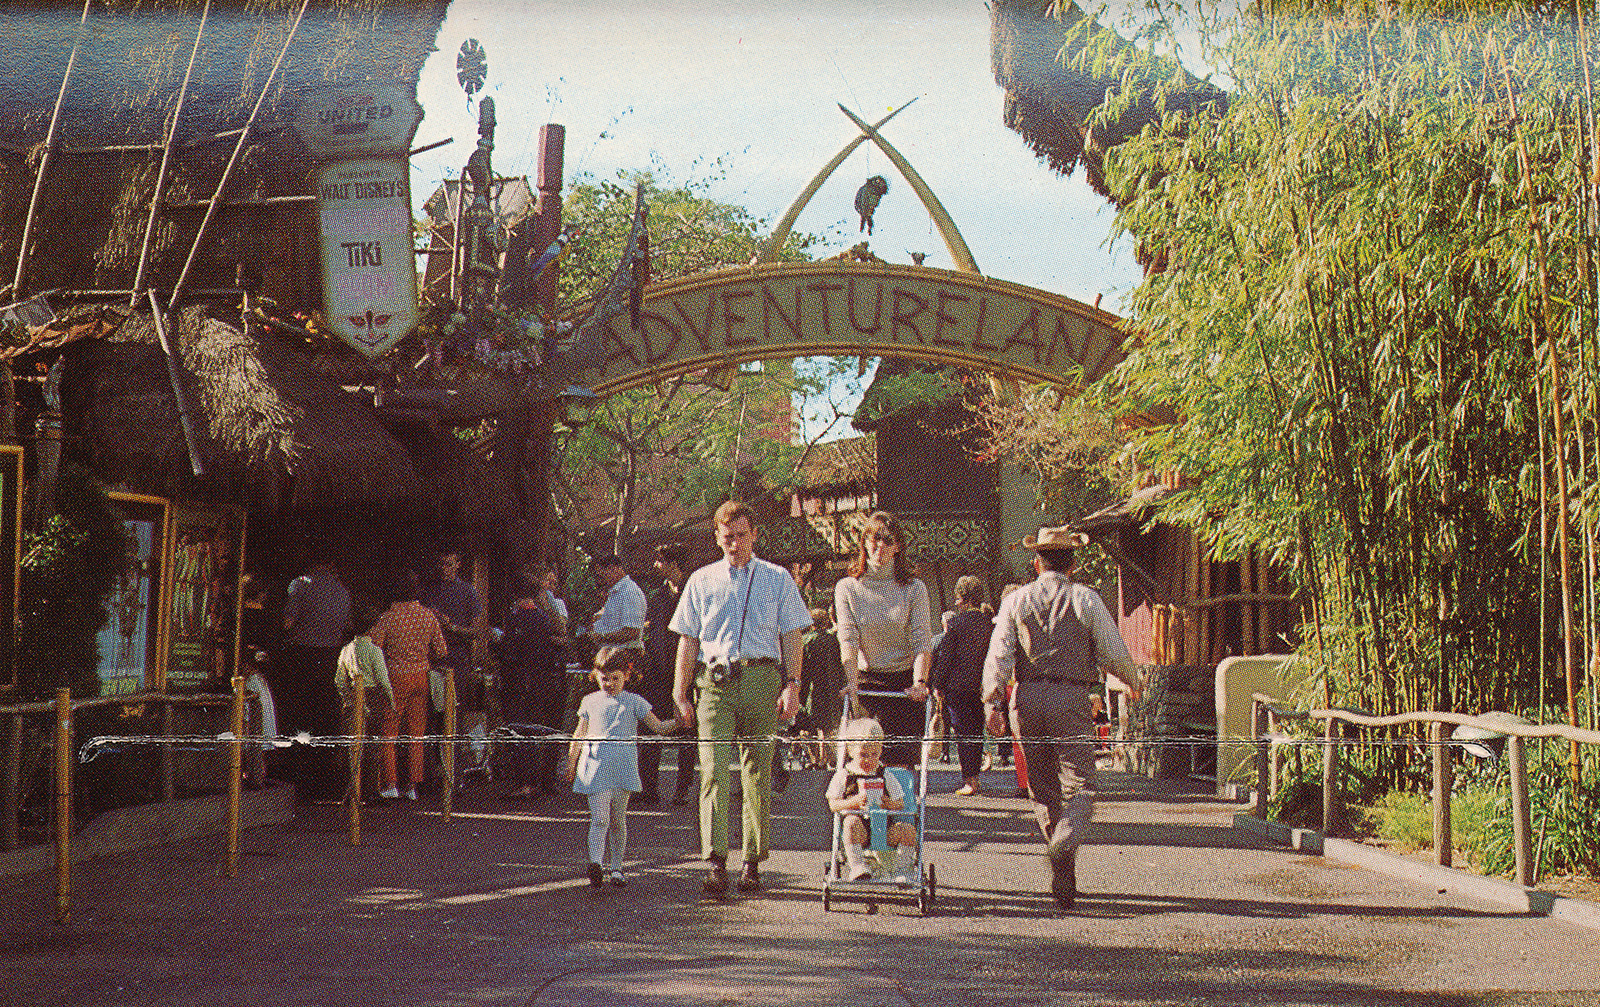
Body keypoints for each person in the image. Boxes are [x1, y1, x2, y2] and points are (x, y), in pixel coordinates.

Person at [982, 525, 1137, 912]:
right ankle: (1065, 841)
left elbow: (999, 655)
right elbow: (1112, 650)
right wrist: (1131, 680)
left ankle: (1060, 858)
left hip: (1028, 697)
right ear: (1072, 563)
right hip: (1070, 696)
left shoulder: (1016, 600)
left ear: (1037, 562)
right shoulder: (1085, 599)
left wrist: (992, 702)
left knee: (1043, 786)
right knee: (1081, 784)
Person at [670, 500, 810, 896]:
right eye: (727, 537)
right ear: (717, 537)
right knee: (713, 771)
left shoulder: (777, 578)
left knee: (757, 771)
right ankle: (715, 861)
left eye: (742, 536)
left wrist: (793, 684)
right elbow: (688, 639)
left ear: (754, 535)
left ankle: (752, 860)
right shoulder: (701, 580)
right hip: (714, 681)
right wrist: (680, 692)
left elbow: (792, 634)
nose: (735, 544)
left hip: (762, 678)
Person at [564, 647, 679, 887]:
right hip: (595, 767)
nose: (609, 684)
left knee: (618, 819)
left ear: (627, 676)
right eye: (604, 678)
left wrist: (679, 722)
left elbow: (657, 727)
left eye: (615, 678)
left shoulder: (634, 701)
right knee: (600, 819)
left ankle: (617, 867)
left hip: (622, 767)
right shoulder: (589, 701)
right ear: (596, 676)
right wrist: (571, 762)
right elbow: (579, 735)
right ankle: (595, 863)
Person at [833, 511, 933, 770]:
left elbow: (922, 639)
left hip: (904, 683)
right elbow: (848, 638)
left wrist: (920, 682)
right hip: (868, 682)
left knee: (900, 770)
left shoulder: (914, 589)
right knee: (864, 765)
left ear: (898, 547)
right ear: (865, 543)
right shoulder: (848, 588)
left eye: (888, 541)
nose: (880, 548)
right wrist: (852, 683)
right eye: (874, 540)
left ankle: (901, 806)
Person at [370, 569, 447, 801]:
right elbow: (442, 650)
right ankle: (413, 785)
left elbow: (374, 648)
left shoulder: (388, 617)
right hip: (422, 676)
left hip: (395, 677)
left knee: (389, 731)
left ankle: (391, 783)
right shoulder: (428, 616)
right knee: (417, 732)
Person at [280, 553, 352, 799]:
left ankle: (298, 777)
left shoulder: (301, 583)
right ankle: (324, 781)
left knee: (299, 713)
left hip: (302, 656)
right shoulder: (343, 591)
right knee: (326, 715)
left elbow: (288, 623)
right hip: (331, 656)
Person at [493, 569, 566, 798]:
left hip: (518, 681)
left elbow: (510, 653)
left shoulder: (516, 619)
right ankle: (535, 781)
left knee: (517, 730)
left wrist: (498, 644)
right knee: (534, 730)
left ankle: (525, 783)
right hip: (539, 681)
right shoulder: (543, 618)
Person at [825, 717, 918, 884]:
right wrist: (853, 802)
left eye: (874, 754)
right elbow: (833, 805)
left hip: (885, 828)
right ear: (851, 751)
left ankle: (902, 868)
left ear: (881, 750)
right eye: (863, 754)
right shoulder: (844, 775)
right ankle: (858, 866)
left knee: (908, 830)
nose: (869, 760)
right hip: (861, 831)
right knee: (850, 822)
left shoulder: (885, 774)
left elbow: (901, 803)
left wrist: (889, 803)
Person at [932, 575, 993, 796]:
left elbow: (945, 658)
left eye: (958, 598)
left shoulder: (956, 625)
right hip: (982, 686)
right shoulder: (989, 624)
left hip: (958, 687)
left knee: (963, 734)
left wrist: (937, 684)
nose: (956, 603)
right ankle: (974, 776)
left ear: (965, 599)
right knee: (977, 732)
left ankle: (969, 780)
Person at [645, 543, 692, 805]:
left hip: (687, 672)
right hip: (659, 672)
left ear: (673, 564)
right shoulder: (658, 596)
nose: (655, 565)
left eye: (660, 560)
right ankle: (649, 787)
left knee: (686, 731)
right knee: (652, 728)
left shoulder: (693, 592)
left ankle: (682, 789)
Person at [422, 550, 483, 706]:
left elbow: (477, 631)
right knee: (433, 706)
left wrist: (453, 628)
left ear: (457, 565)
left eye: (448, 564)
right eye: (441, 564)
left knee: (455, 706)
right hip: (433, 655)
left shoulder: (468, 592)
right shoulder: (430, 591)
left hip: (457, 654)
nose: (444, 568)